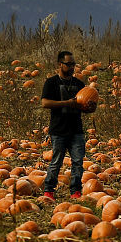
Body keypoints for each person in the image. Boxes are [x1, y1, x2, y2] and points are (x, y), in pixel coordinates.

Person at [40, 50, 90, 200]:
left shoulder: (79, 84)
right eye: (68, 64)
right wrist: (67, 103)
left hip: (76, 130)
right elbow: (45, 103)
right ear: (60, 64)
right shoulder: (51, 83)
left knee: (78, 162)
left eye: (73, 64)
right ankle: (49, 190)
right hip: (58, 130)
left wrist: (90, 107)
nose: (72, 67)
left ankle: (76, 191)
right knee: (56, 162)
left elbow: (85, 106)